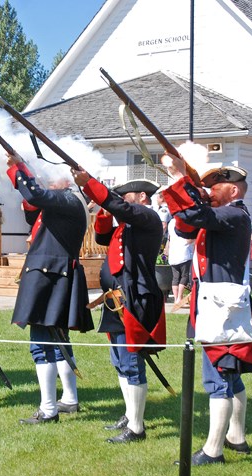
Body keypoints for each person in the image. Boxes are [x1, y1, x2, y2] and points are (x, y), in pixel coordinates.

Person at [162, 158, 252, 466]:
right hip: (214, 304)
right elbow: (185, 224)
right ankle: (237, 437)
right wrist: (187, 187)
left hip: (219, 307)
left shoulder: (233, 213)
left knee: (218, 378)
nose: (209, 191)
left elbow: (193, 213)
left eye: (214, 187)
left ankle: (213, 451)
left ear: (232, 190)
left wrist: (180, 179)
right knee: (231, 374)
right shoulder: (225, 214)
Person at [74, 172, 167, 443]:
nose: (120, 200)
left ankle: (137, 428)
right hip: (116, 298)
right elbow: (103, 238)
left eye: (125, 195)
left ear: (142, 197)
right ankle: (130, 415)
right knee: (120, 361)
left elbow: (121, 208)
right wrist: (104, 208)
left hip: (134, 297)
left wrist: (91, 185)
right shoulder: (126, 226)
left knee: (131, 362)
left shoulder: (147, 217)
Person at [6, 154, 94, 425]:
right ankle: (68, 399)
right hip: (54, 277)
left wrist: (17, 167)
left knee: (41, 346)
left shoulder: (66, 199)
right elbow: (34, 207)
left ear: (67, 180)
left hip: (50, 279)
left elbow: (34, 194)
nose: (45, 179)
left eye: (51, 176)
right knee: (58, 344)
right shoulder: (64, 203)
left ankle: (48, 409)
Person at [168, 217, 195, 305]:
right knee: (185, 276)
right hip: (184, 252)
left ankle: (176, 299)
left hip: (173, 253)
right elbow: (189, 240)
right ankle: (180, 297)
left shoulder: (171, 222)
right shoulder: (185, 221)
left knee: (175, 277)